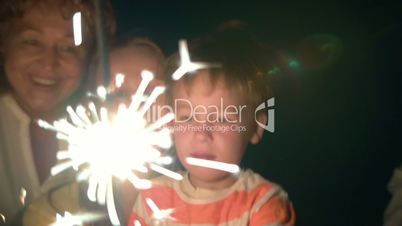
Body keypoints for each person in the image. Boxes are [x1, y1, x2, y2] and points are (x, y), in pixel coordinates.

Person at [128, 23, 296, 226]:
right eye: (188, 118)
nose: (202, 133)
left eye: (222, 119)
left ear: (256, 127)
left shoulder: (264, 203)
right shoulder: (151, 197)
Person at [0, 0, 115, 224]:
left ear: (89, 58)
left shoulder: (108, 130)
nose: (49, 64)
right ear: (3, 43)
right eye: (32, 42)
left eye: (68, 48)